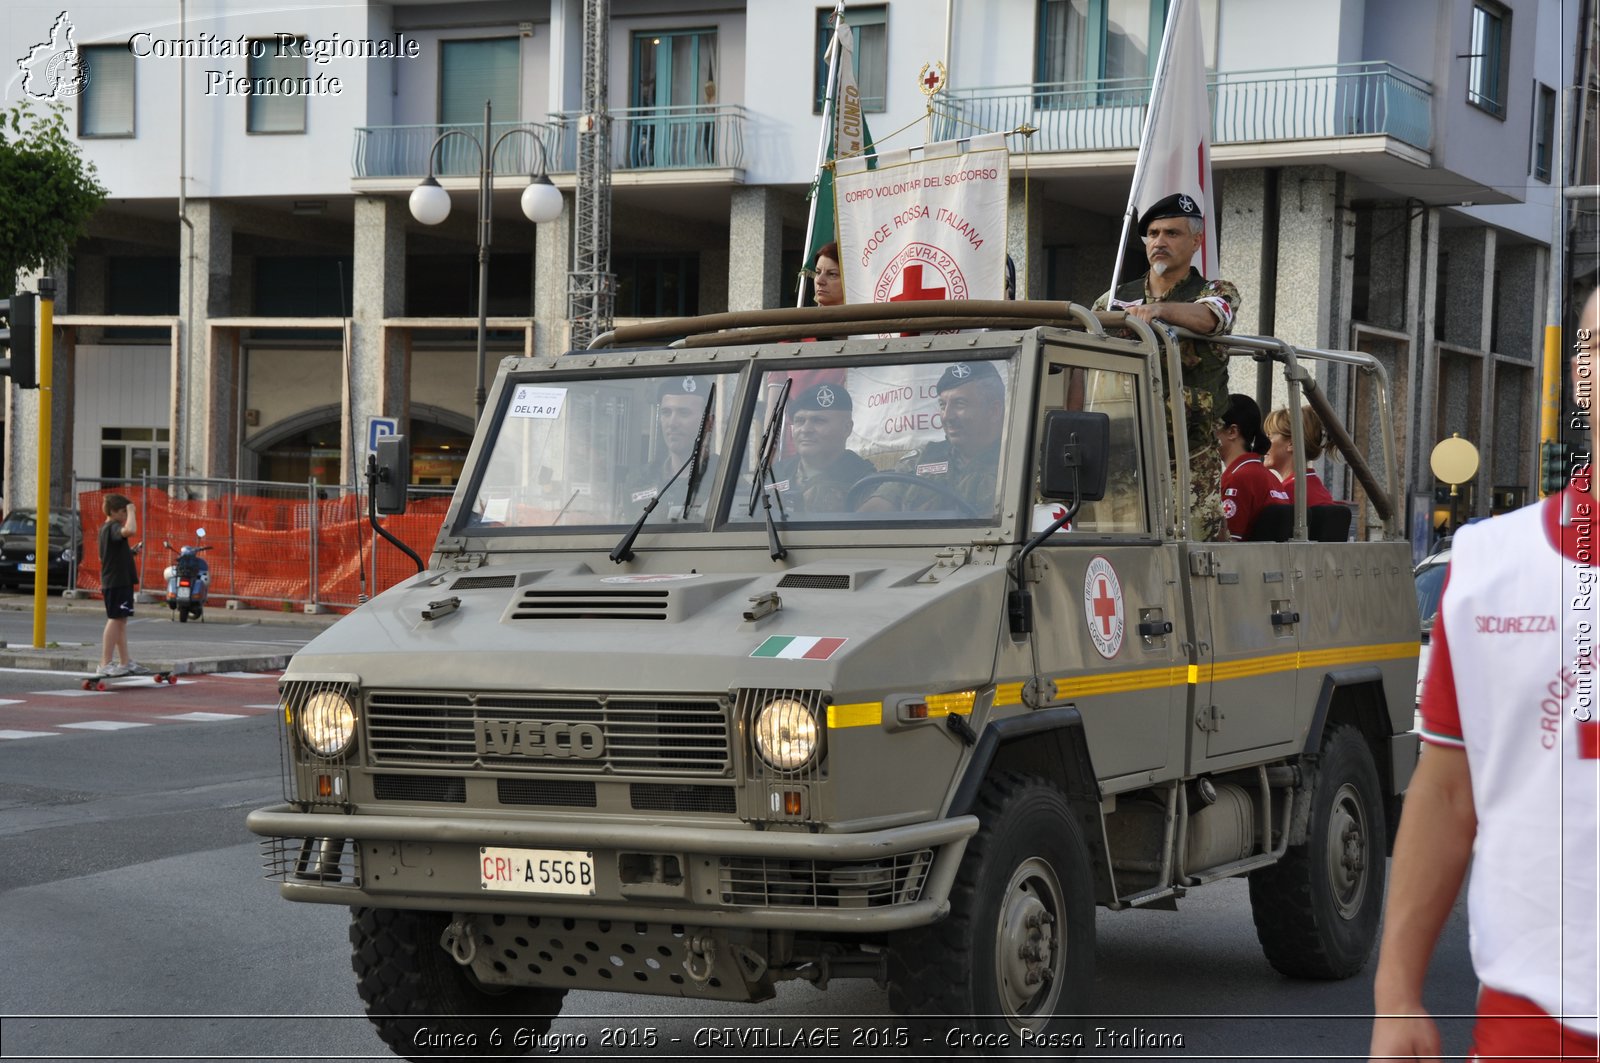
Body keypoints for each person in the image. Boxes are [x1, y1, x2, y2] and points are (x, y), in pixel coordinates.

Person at [1368, 287, 1599, 1061]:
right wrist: (1396, 992)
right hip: (1535, 1025)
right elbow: (1445, 788)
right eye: (1598, 345)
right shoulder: (1490, 565)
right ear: (1578, 376)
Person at [1091, 192, 1241, 542]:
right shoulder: (1113, 298)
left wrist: (1158, 311)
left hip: (1187, 457)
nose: (1160, 242)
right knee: (1119, 554)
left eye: (1172, 233)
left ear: (1196, 241)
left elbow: (1210, 317)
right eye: (1154, 234)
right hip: (1123, 454)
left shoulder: (1215, 290)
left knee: (1187, 560)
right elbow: (1084, 362)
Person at [859, 361, 1005, 515]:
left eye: (960, 404)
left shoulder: (1015, 464)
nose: (947, 416)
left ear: (994, 411)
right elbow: (871, 514)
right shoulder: (922, 459)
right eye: (943, 405)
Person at [769, 383, 872, 514]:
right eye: (799, 421)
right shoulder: (776, 474)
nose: (805, 430)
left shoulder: (864, 481)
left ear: (846, 428)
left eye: (818, 421)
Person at [622, 377, 720, 513]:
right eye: (666, 413)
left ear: (709, 422)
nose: (672, 423)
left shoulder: (724, 480)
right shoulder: (639, 481)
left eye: (684, 413)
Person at [96, 493, 145, 677]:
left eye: (127, 512)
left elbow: (105, 556)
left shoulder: (107, 529)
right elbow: (130, 530)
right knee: (115, 619)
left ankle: (125, 662)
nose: (126, 515)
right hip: (116, 582)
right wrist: (132, 510)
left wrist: (129, 553)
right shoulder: (113, 527)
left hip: (119, 581)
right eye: (123, 512)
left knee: (121, 621)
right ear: (114, 512)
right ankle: (105, 663)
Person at [1217, 393, 1277, 541]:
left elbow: (1226, 546)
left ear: (1232, 432)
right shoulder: (1268, 476)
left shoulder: (1238, 478)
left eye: (1213, 426)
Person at [1262, 404, 1335, 506]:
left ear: (1291, 443)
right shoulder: (1316, 488)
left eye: (1270, 436)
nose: (1263, 442)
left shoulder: (1286, 494)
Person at [811, 242, 843, 308]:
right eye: (818, 272)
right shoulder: (802, 317)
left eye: (832, 274)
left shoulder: (867, 316)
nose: (819, 281)